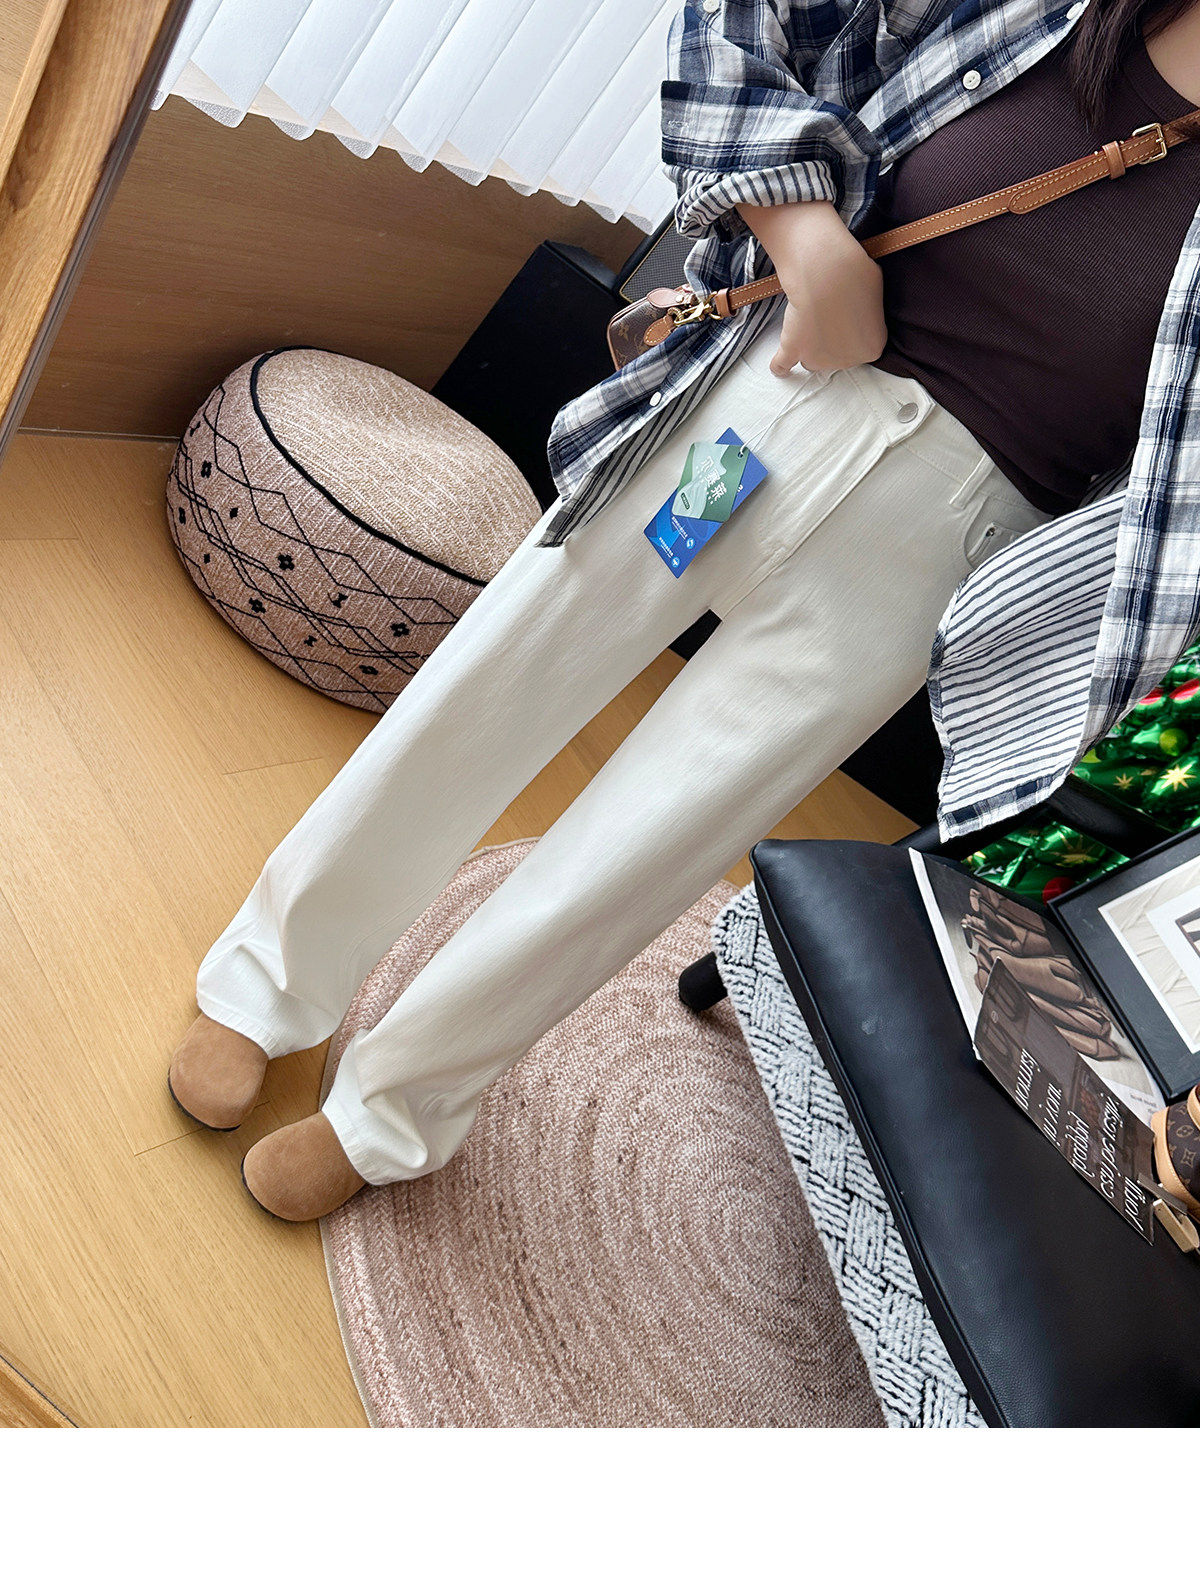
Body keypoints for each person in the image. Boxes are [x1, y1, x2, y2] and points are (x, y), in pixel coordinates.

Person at [168, 0, 1200, 1220]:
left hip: (952, 545)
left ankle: (394, 1110)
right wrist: (802, 231)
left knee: (652, 838)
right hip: (767, 408)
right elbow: (741, 19)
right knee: (490, 689)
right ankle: (268, 979)